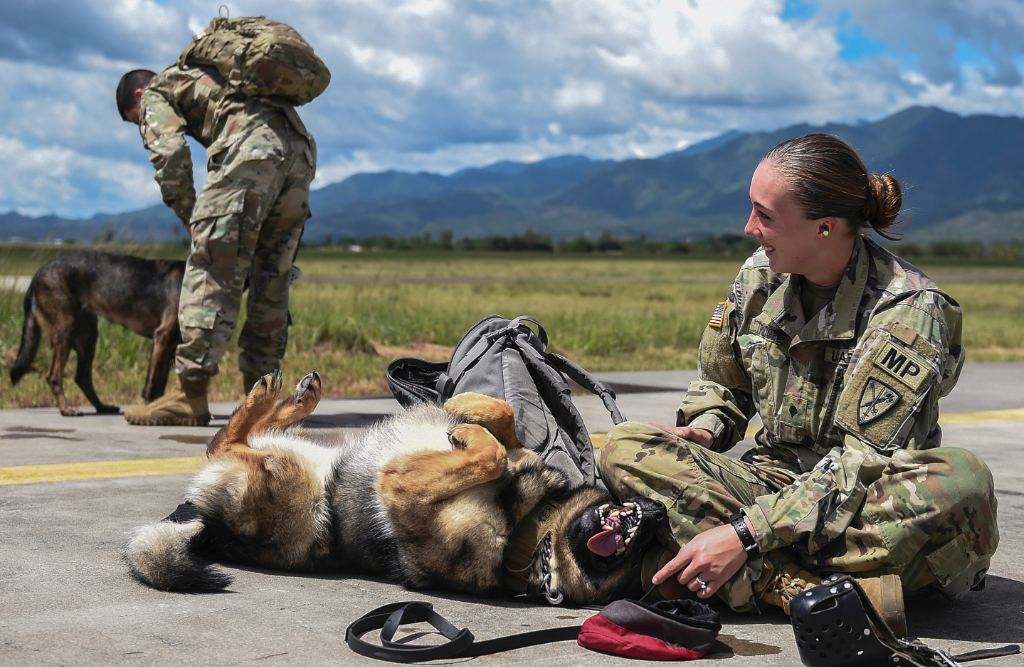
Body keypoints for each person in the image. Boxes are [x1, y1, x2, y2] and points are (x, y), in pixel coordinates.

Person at [599, 133, 997, 635]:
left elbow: (860, 464)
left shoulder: (909, 310)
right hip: (768, 485)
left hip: (862, 509)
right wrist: (705, 431)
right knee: (623, 446)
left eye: (765, 215)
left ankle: (712, 560)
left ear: (825, 228)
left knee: (963, 481)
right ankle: (795, 589)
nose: (749, 229)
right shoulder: (758, 279)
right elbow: (725, 387)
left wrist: (744, 534)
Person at [115, 62, 316, 426]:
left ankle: (188, 395)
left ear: (139, 96)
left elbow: (171, 155)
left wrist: (192, 218)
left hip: (250, 150)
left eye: (135, 120)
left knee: (210, 270)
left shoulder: (157, 93)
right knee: (272, 278)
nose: (140, 125)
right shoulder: (217, 78)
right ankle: (264, 401)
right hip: (299, 150)